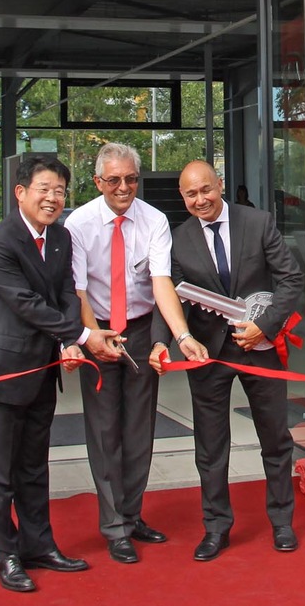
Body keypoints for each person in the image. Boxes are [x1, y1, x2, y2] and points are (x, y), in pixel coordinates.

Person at [0, 155, 120, 593]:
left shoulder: (61, 237)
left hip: (42, 369)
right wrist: (86, 335)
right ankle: (6, 555)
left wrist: (70, 340)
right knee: (1, 471)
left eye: (60, 191)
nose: (53, 198)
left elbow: (65, 295)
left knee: (35, 466)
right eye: (45, 189)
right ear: (21, 192)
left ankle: (39, 545)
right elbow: (26, 304)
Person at [148, 159, 304, 561]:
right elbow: (171, 295)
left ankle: (282, 523)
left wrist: (265, 327)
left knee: (275, 438)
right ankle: (216, 528)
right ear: (182, 197)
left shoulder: (258, 222)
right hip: (208, 353)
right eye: (190, 194)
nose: (200, 200)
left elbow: (291, 279)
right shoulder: (178, 239)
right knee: (211, 446)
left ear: (220, 183)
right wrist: (162, 340)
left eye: (206, 190)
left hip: (261, 349)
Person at [63, 143, 198, 565]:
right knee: (105, 432)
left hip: (140, 330)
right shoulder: (79, 223)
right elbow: (78, 289)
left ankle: (133, 514)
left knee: (140, 429)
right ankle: (114, 527)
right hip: (98, 327)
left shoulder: (155, 219)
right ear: (98, 182)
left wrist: (179, 335)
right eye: (115, 180)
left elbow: (161, 283)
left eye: (132, 179)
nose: (124, 188)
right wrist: (89, 337)